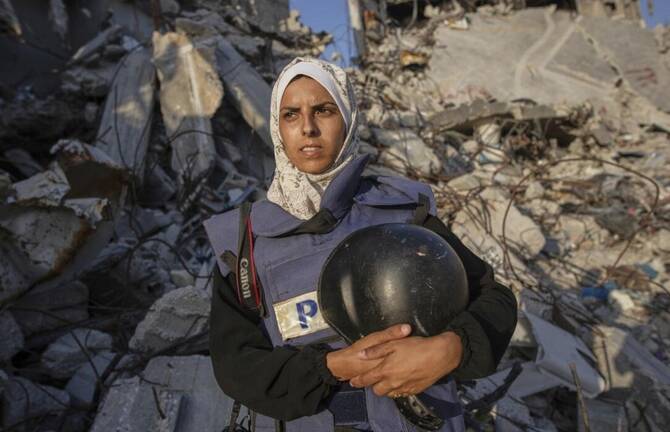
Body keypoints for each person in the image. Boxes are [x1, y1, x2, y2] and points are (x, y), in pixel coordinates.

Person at [204, 57, 517, 432]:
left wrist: (452, 348)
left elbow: (493, 299)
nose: (308, 128)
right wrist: (332, 367)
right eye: (291, 115)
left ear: (348, 118)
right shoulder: (245, 245)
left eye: (324, 110)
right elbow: (237, 367)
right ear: (277, 127)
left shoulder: (405, 215)